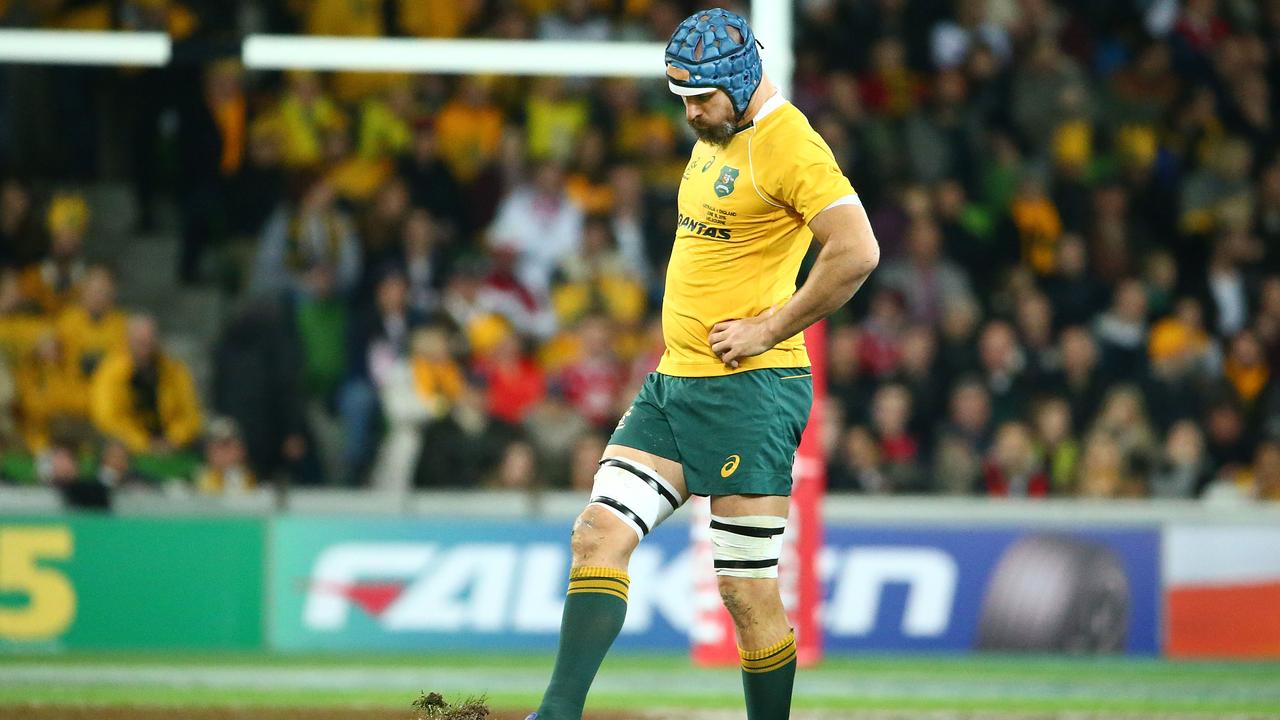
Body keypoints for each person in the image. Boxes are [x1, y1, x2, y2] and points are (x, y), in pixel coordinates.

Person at [527, 9, 879, 720]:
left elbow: (858, 249)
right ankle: (556, 715)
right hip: (675, 383)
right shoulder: (717, 130)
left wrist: (771, 325)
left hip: (753, 391)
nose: (687, 113)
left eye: (700, 99)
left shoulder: (789, 145)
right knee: (598, 533)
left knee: (746, 593)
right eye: (680, 97)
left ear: (743, 79)